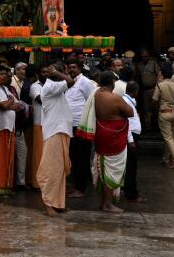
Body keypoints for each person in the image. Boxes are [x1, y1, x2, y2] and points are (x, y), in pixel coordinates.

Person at [79, 70, 133, 213]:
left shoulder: (96, 94)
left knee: (103, 167)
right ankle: (108, 204)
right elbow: (130, 112)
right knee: (111, 170)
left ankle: (104, 202)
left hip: (101, 133)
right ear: (112, 83)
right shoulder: (115, 98)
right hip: (114, 137)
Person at [36, 62, 74, 216]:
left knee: (59, 170)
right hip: (54, 132)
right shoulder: (51, 86)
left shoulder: (56, 87)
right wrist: (56, 73)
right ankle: (48, 204)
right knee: (50, 169)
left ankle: (58, 203)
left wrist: (58, 73)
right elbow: (70, 81)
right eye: (64, 71)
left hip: (61, 131)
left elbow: (69, 81)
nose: (67, 73)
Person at [0, 63, 23, 198]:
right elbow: (3, 105)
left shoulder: (4, 88)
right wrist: (10, 102)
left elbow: (18, 105)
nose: (4, 76)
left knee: (7, 157)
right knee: (0, 157)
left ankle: (5, 186)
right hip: (0, 126)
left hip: (9, 126)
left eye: (5, 74)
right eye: (1, 74)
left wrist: (11, 102)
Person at [63, 58, 97, 197]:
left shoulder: (86, 82)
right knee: (74, 157)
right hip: (70, 125)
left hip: (81, 126)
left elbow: (93, 101)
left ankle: (81, 188)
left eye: (74, 67)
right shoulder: (67, 82)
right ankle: (77, 185)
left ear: (80, 68)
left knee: (81, 158)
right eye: (69, 67)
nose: (71, 70)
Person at [153, 63, 174, 168]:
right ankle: (165, 159)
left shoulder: (160, 85)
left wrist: (156, 109)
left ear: (162, 74)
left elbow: (154, 100)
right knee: (171, 137)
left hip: (164, 113)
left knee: (168, 138)